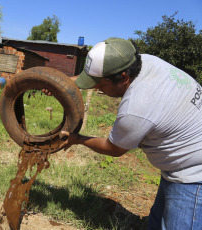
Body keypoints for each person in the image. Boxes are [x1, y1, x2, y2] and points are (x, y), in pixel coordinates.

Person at [45, 37, 202, 230]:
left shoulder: (137, 108)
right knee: (155, 224)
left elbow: (114, 149)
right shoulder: (142, 61)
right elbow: (95, 79)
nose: (95, 88)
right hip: (182, 160)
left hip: (194, 175)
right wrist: (62, 83)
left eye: (100, 85)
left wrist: (77, 139)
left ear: (124, 77)